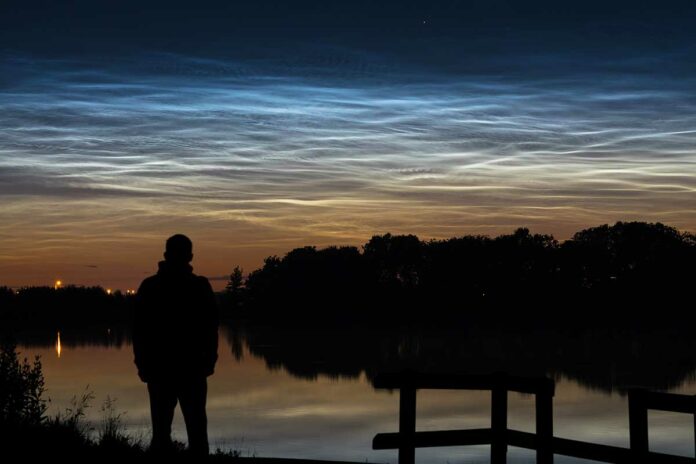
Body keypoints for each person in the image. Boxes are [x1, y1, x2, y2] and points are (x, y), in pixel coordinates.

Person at [133, 234, 219, 455]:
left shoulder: (150, 287)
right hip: (189, 369)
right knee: (196, 433)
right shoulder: (199, 287)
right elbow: (210, 328)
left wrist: (142, 364)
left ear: (165, 255)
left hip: (163, 369)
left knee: (162, 435)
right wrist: (209, 360)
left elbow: (139, 331)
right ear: (190, 256)